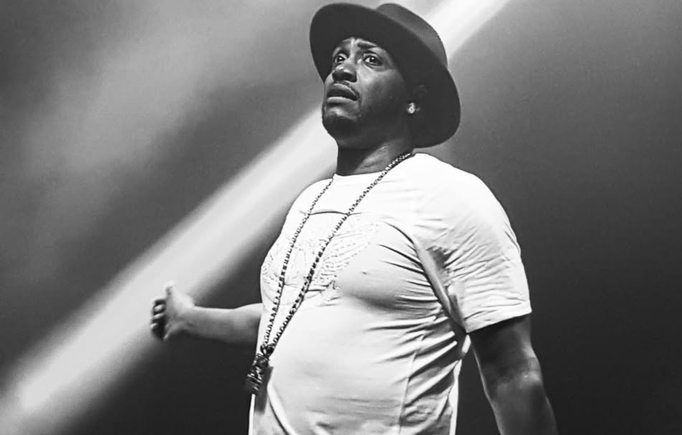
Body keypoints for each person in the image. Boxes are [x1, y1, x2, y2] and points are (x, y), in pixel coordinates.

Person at [151, 3, 557, 435]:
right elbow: (282, 318)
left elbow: (513, 375)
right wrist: (189, 318)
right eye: (339, 57)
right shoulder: (310, 201)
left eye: (371, 59)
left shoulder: (450, 197)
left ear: (414, 97)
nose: (342, 70)